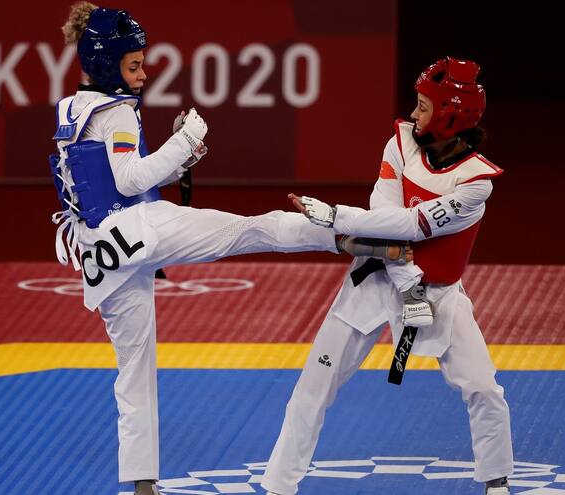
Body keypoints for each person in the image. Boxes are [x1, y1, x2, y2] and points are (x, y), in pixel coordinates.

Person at [47, 4, 403, 493]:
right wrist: (188, 139)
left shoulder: (71, 108)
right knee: (251, 230)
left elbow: (110, 180)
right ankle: (354, 237)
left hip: (99, 254)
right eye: (134, 65)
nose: (143, 73)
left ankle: (141, 484)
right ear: (108, 65)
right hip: (140, 228)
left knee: (133, 370)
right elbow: (132, 182)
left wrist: (177, 155)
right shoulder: (118, 112)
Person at [261, 57, 513, 495]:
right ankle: (279, 487)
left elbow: (413, 225)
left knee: (484, 389)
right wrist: (402, 274)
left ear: (451, 117)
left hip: (438, 296)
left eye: (423, 107)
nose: (414, 114)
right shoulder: (400, 142)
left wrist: (335, 216)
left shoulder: (477, 183)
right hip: (374, 281)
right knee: (311, 389)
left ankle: (497, 484)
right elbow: (384, 215)